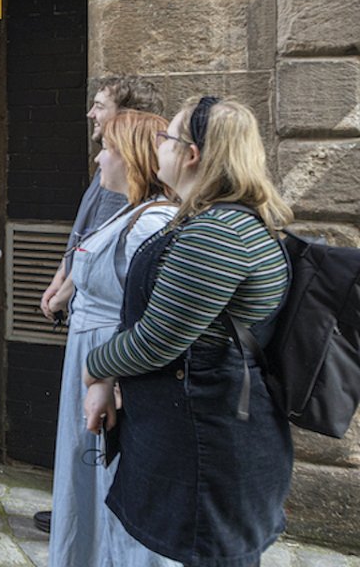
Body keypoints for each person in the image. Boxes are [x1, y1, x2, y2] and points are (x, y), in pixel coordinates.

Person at [84, 97, 294, 566]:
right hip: (191, 427)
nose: (159, 148)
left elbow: (158, 340)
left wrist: (95, 368)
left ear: (192, 154)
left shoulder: (218, 234)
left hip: (206, 440)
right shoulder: (213, 220)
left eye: (167, 138)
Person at [45, 111, 179, 567]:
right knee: (88, 477)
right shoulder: (129, 212)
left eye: (106, 148)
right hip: (91, 357)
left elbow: (153, 316)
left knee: (111, 478)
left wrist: (112, 376)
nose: (99, 157)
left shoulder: (149, 225)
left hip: (110, 368)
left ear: (132, 158)